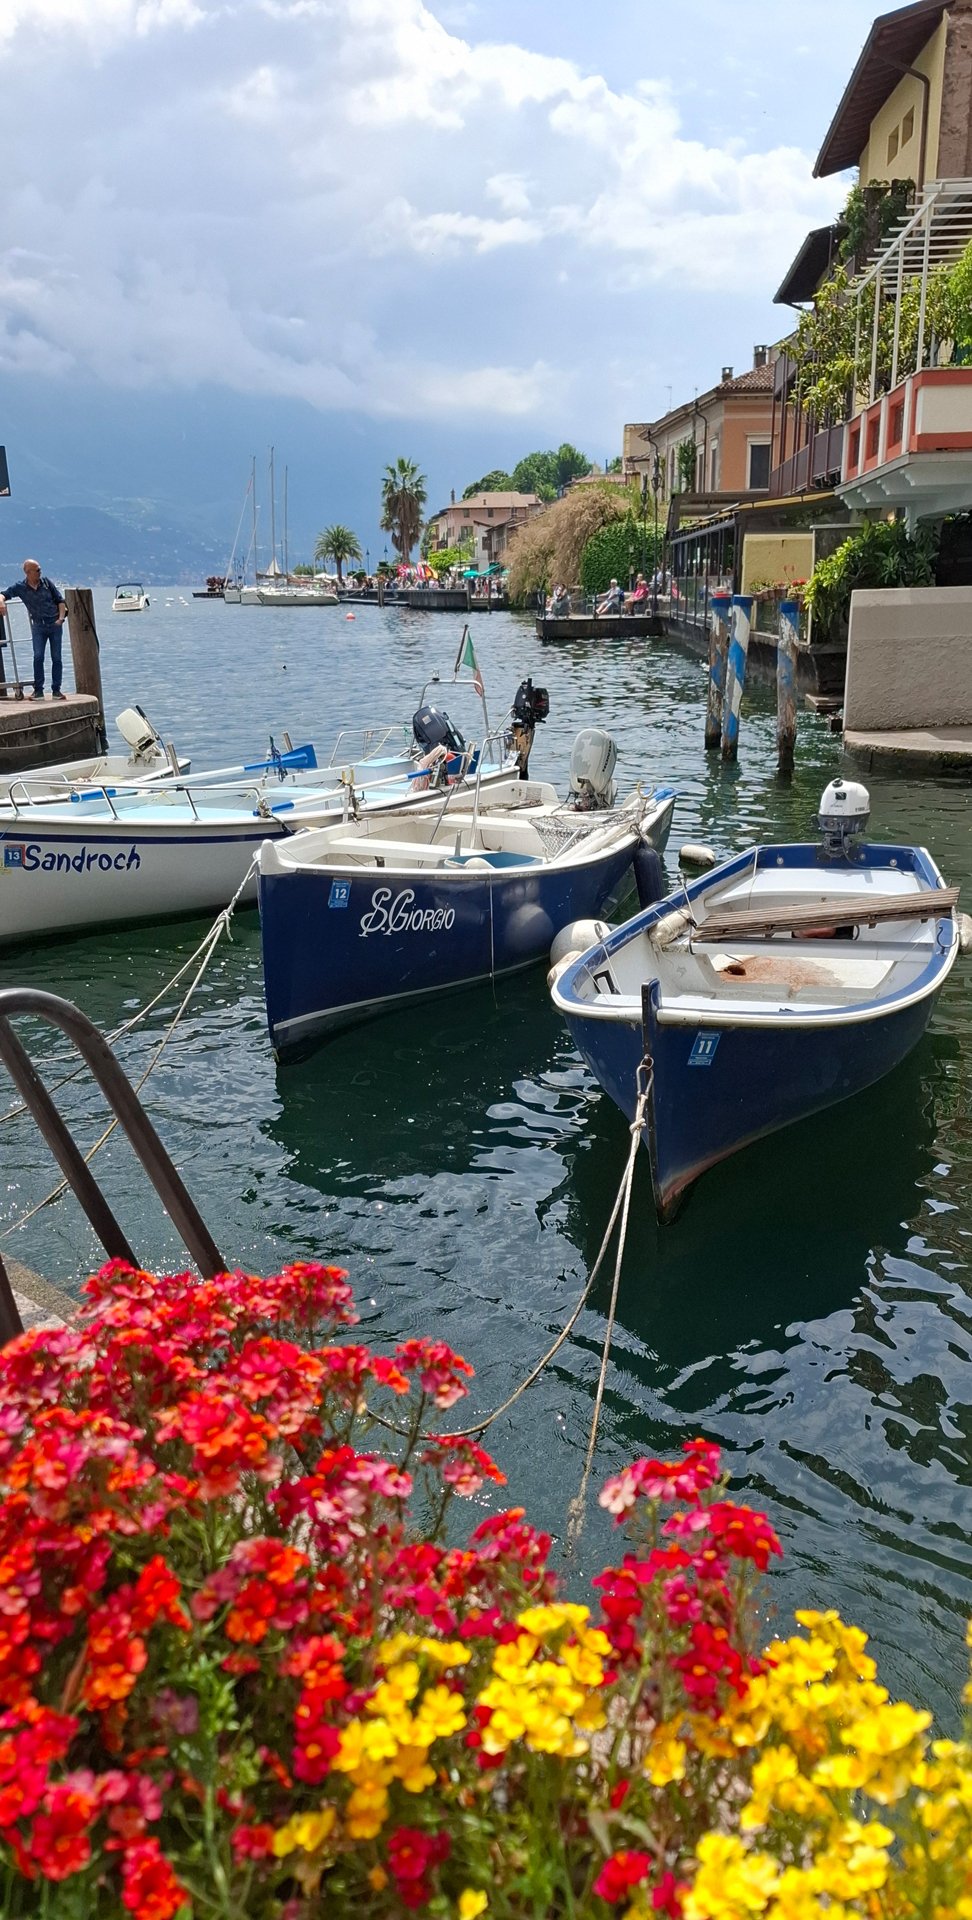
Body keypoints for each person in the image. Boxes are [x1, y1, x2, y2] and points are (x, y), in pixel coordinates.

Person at [0, 559, 68, 699]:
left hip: (54, 624)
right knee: (38, 657)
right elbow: (4, 594)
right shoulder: (20, 587)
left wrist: (61, 619)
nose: (40, 572)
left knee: (57, 658)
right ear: (28, 572)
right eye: (37, 570)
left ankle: (56, 690)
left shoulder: (47, 583)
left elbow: (60, 601)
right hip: (38, 626)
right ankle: (38, 691)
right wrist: (1, 602)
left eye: (40, 569)